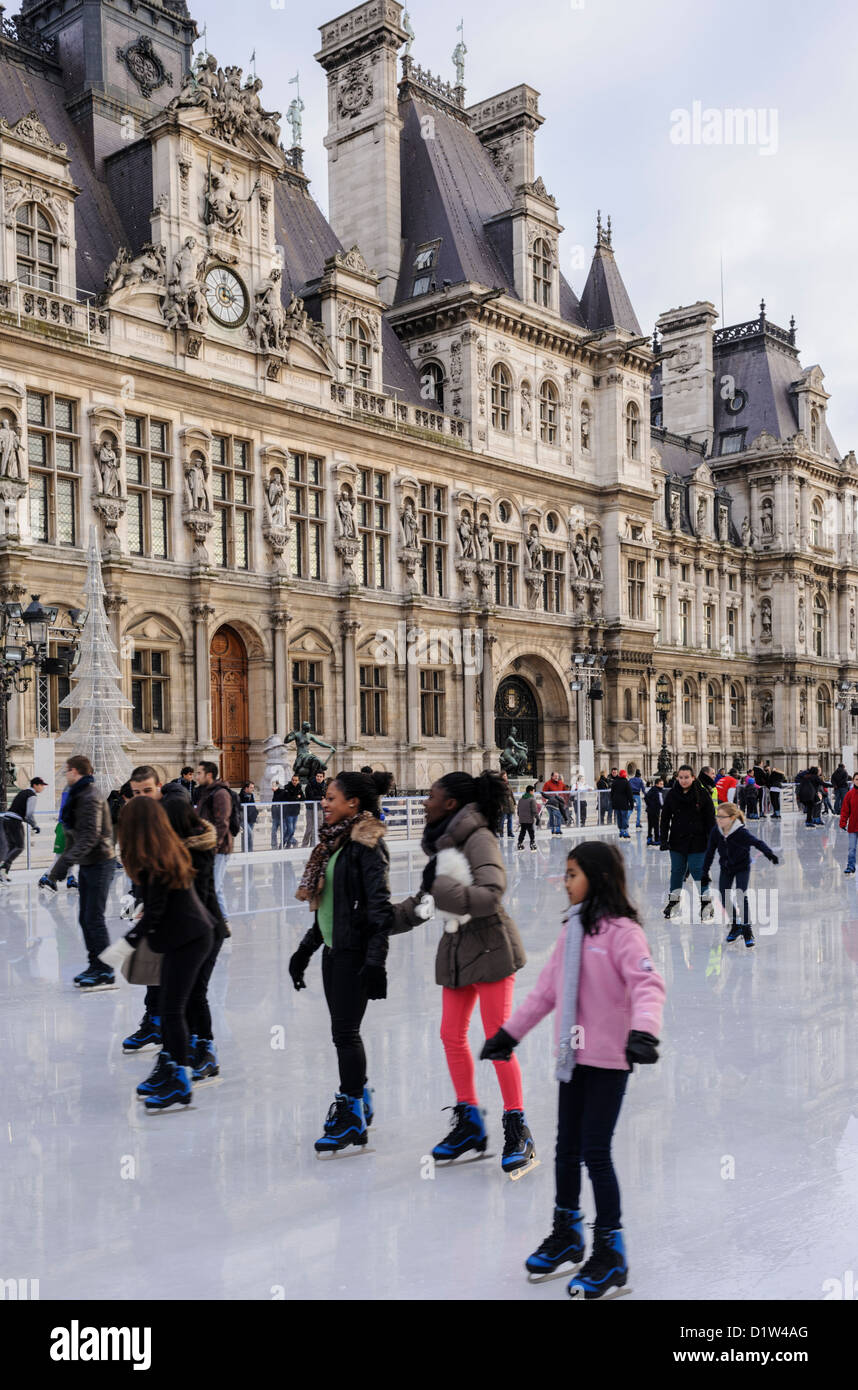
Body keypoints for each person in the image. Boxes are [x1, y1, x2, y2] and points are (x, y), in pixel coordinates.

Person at [481, 841, 664, 1298]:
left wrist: (644, 1032)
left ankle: (612, 1252)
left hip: (608, 1062)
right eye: (565, 874)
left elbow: (647, 984)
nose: (565, 882)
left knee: (596, 1153)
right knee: (566, 1150)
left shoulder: (623, 932)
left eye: (572, 874)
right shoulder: (573, 930)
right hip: (572, 1059)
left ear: (598, 879)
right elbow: (545, 992)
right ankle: (568, 1234)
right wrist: (510, 1035)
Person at [395, 771, 534, 1177]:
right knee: (450, 1035)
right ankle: (469, 1120)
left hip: (491, 948)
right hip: (458, 948)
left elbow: (491, 894)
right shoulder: (447, 843)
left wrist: (442, 891)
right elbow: (426, 902)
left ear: (451, 803)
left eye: (432, 796)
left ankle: (517, 1126)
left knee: (497, 1039)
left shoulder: (478, 838)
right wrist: (380, 920)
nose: (425, 802)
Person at [288, 771, 394, 1153]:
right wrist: (304, 951)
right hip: (334, 953)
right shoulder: (334, 844)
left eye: (331, 798)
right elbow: (329, 909)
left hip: (355, 956)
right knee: (342, 1033)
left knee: (345, 1034)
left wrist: (376, 963)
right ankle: (360, 1100)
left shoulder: (367, 845)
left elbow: (379, 911)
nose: (324, 803)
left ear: (353, 803)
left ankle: (351, 1114)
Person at [116, 798, 215, 1110]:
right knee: (172, 1009)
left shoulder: (156, 859)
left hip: (190, 939)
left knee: (173, 1010)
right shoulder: (154, 854)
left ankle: (180, 1080)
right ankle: (173, 1069)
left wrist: (119, 949)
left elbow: (154, 913)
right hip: (181, 938)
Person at [162, 795, 228, 1084]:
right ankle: (192, 1044)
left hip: (207, 931)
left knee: (196, 992)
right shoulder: (180, 848)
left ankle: (206, 1048)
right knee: (187, 995)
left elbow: (198, 899)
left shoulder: (195, 852)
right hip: (196, 930)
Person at [38, 756, 116, 989]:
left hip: (101, 862)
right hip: (89, 863)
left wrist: (64, 863)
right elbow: (75, 835)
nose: (65, 774)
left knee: (94, 919)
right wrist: (65, 861)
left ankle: (105, 970)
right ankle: (96, 965)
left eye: (68, 770)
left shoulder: (90, 796)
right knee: (85, 918)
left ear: (76, 771)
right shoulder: (79, 795)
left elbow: (90, 836)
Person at [702, 802, 779, 948]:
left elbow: (757, 842)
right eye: (717, 816)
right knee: (723, 896)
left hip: (742, 867)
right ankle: (735, 925)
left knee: (740, 895)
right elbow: (709, 853)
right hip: (726, 867)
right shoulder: (716, 831)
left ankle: (746, 928)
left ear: (731, 818)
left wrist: (770, 854)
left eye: (722, 817)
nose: (718, 819)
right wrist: (704, 872)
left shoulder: (741, 832)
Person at [659, 764, 716, 919]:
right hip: (677, 841)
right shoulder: (672, 795)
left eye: (687, 777)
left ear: (693, 778)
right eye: (681, 777)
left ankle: (706, 903)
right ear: (677, 778)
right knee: (676, 872)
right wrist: (663, 839)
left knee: (698, 872)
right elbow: (665, 818)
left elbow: (710, 820)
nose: (683, 781)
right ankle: (674, 902)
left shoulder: (702, 794)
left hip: (698, 841)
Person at [195, 761, 234, 924]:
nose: (196, 776)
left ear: (208, 775)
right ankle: (215, 919)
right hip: (209, 846)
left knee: (215, 887)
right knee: (211, 886)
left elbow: (222, 823)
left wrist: (214, 846)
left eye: (199, 773)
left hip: (219, 848)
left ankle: (223, 920)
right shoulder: (206, 792)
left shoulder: (220, 794)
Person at [0, 776, 46, 881]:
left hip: (6, 820)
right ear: (35, 785)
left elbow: (21, 812)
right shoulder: (32, 795)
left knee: (12, 847)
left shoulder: (22, 792)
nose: (42, 788)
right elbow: (29, 814)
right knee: (19, 846)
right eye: (41, 785)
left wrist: (28, 821)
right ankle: (3, 867)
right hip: (14, 822)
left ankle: (4, 872)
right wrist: (35, 825)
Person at [838, 771, 858, 874]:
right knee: (852, 848)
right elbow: (845, 810)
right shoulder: (849, 794)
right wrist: (843, 822)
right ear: (853, 781)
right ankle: (850, 866)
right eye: (857, 779)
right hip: (853, 826)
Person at [302, 769, 326, 847]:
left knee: (319, 827)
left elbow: (325, 796)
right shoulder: (310, 785)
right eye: (317, 776)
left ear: (323, 777)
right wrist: (321, 797)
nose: (319, 778)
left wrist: (320, 797)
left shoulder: (324, 786)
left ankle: (313, 845)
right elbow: (311, 796)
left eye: (320, 776)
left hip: (320, 809)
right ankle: (304, 845)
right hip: (310, 809)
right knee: (309, 828)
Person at [609, 770, 634, 840]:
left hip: (616, 803)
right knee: (624, 817)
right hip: (623, 803)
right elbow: (630, 794)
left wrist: (612, 801)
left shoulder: (615, 782)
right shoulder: (626, 782)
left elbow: (611, 793)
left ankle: (620, 830)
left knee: (619, 817)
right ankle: (625, 831)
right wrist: (631, 804)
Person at [282, 773, 305, 848]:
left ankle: (287, 844)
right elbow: (288, 798)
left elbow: (303, 798)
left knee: (293, 830)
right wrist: (297, 797)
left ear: (298, 781)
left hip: (296, 811)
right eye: (293, 780)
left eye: (296, 780)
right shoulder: (287, 787)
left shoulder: (299, 787)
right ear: (291, 780)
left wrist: (297, 797)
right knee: (290, 830)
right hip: (288, 812)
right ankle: (283, 843)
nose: (294, 781)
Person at [517, 784, 539, 851]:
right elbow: (534, 810)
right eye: (533, 791)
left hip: (522, 819)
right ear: (530, 791)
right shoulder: (532, 799)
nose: (533, 793)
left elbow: (518, 810)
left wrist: (520, 816)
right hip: (529, 819)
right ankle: (532, 843)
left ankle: (520, 843)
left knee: (522, 831)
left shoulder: (521, 799)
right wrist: (537, 818)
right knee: (531, 832)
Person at [238, 781, 258, 852]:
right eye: (251, 788)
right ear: (246, 788)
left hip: (251, 818)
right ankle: (248, 850)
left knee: (246, 835)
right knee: (249, 834)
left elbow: (253, 806)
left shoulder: (251, 795)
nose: (253, 789)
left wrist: (255, 814)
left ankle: (247, 851)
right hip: (243, 819)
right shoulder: (240, 796)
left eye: (253, 787)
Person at [644, 777, 665, 846]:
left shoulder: (652, 789)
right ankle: (657, 839)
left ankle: (649, 838)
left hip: (650, 810)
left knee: (650, 825)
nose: (662, 786)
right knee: (656, 825)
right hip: (655, 810)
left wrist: (650, 805)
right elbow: (660, 802)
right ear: (657, 784)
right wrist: (653, 805)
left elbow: (646, 797)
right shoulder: (657, 791)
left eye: (663, 784)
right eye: (661, 784)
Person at [499, 770, 516, 839]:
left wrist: (514, 802)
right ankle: (501, 832)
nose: (506, 777)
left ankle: (510, 832)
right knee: (502, 819)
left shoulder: (508, 783)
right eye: (504, 776)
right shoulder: (500, 785)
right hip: (504, 803)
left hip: (510, 803)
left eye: (506, 776)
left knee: (510, 819)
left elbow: (511, 794)